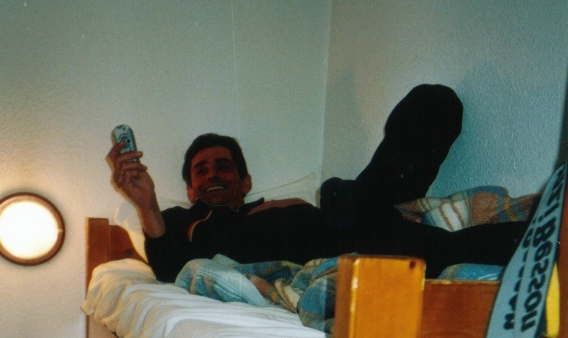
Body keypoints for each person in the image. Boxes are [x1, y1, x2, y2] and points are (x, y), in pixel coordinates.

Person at [108, 85, 527, 282]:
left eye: (224, 166)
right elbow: (171, 268)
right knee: (442, 248)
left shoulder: (270, 204)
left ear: (246, 181)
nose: (213, 174)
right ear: (190, 190)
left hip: (346, 228)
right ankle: (353, 199)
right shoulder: (181, 220)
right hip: (319, 247)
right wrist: (145, 204)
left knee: (434, 102)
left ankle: (356, 199)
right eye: (201, 171)